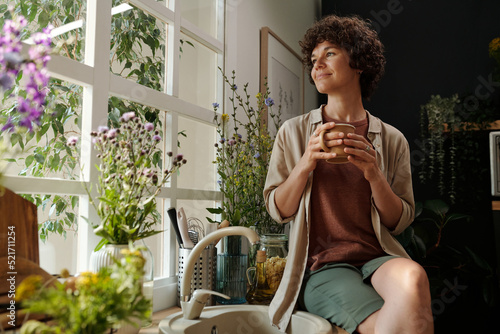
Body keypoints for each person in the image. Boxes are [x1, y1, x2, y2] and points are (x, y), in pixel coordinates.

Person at [264, 14, 433, 334]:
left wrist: (374, 173)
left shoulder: (393, 139)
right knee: (404, 322)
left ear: (358, 63)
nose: (317, 65)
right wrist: (306, 162)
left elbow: (400, 220)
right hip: (325, 267)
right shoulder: (294, 132)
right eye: (313, 59)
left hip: (378, 259)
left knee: (414, 276)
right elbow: (278, 210)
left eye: (329, 53)